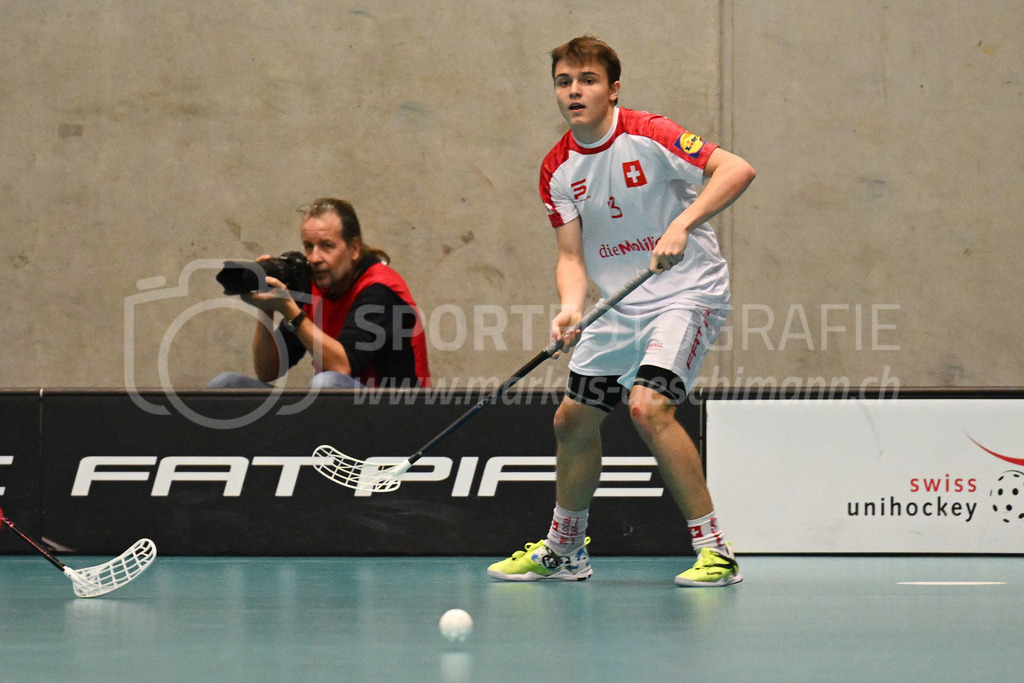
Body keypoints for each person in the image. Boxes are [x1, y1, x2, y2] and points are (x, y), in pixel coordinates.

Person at [487, 36, 756, 586]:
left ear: (612, 89)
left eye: (586, 80)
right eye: (564, 81)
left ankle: (716, 552)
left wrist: (683, 224)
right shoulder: (557, 169)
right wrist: (568, 309)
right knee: (572, 420)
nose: (574, 91)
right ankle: (565, 549)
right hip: (617, 306)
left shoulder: (650, 132)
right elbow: (570, 255)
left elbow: (736, 169)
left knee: (647, 407)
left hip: (685, 290)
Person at [210, 198, 431, 389]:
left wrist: (292, 312)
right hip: (339, 411)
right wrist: (267, 307)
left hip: (397, 413)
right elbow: (269, 371)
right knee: (226, 384)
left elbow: (343, 366)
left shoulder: (379, 289)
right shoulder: (313, 287)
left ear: (354, 248)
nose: (314, 258)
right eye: (308, 246)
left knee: (326, 384)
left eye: (327, 246)